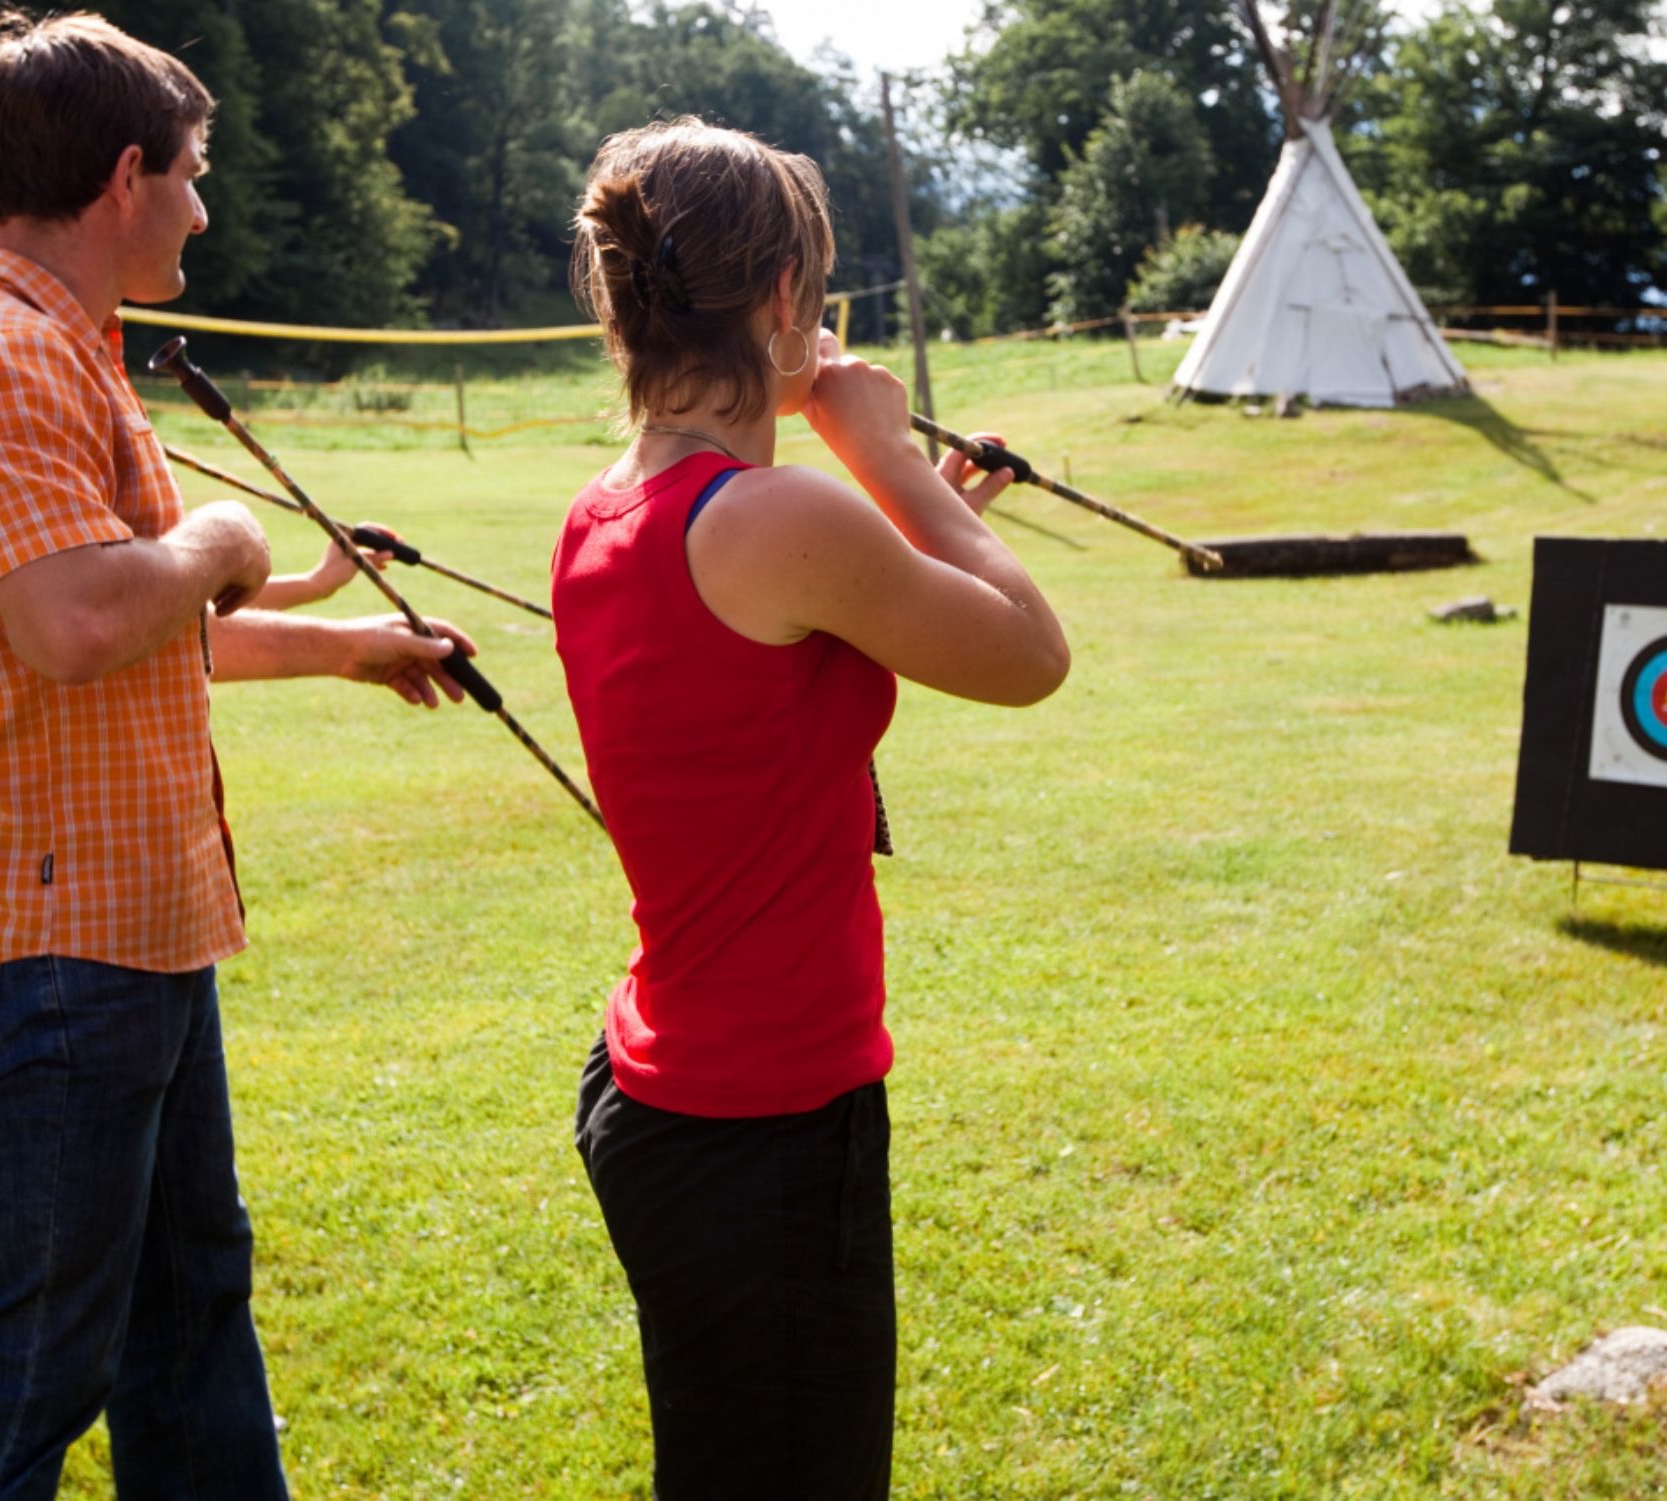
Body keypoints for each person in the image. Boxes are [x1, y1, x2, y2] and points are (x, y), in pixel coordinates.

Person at [0, 13, 470, 1498]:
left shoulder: (41, 346)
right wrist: (226, 536)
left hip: (117, 934)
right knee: (26, 1368)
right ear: (127, 175)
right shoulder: (3, 355)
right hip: (51, 953)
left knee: (185, 1309)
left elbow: (117, 641)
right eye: (193, 175)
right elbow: (75, 618)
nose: (202, 206)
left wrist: (353, 644)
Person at [552, 118, 1071, 1499]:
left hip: (675, 1094)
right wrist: (889, 459)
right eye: (818, 295)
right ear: (786, 301)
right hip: (762, 1125)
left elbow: (769, 669)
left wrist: (906, 509)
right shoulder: (783, 520)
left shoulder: (608, 511)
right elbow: (1031, 656)